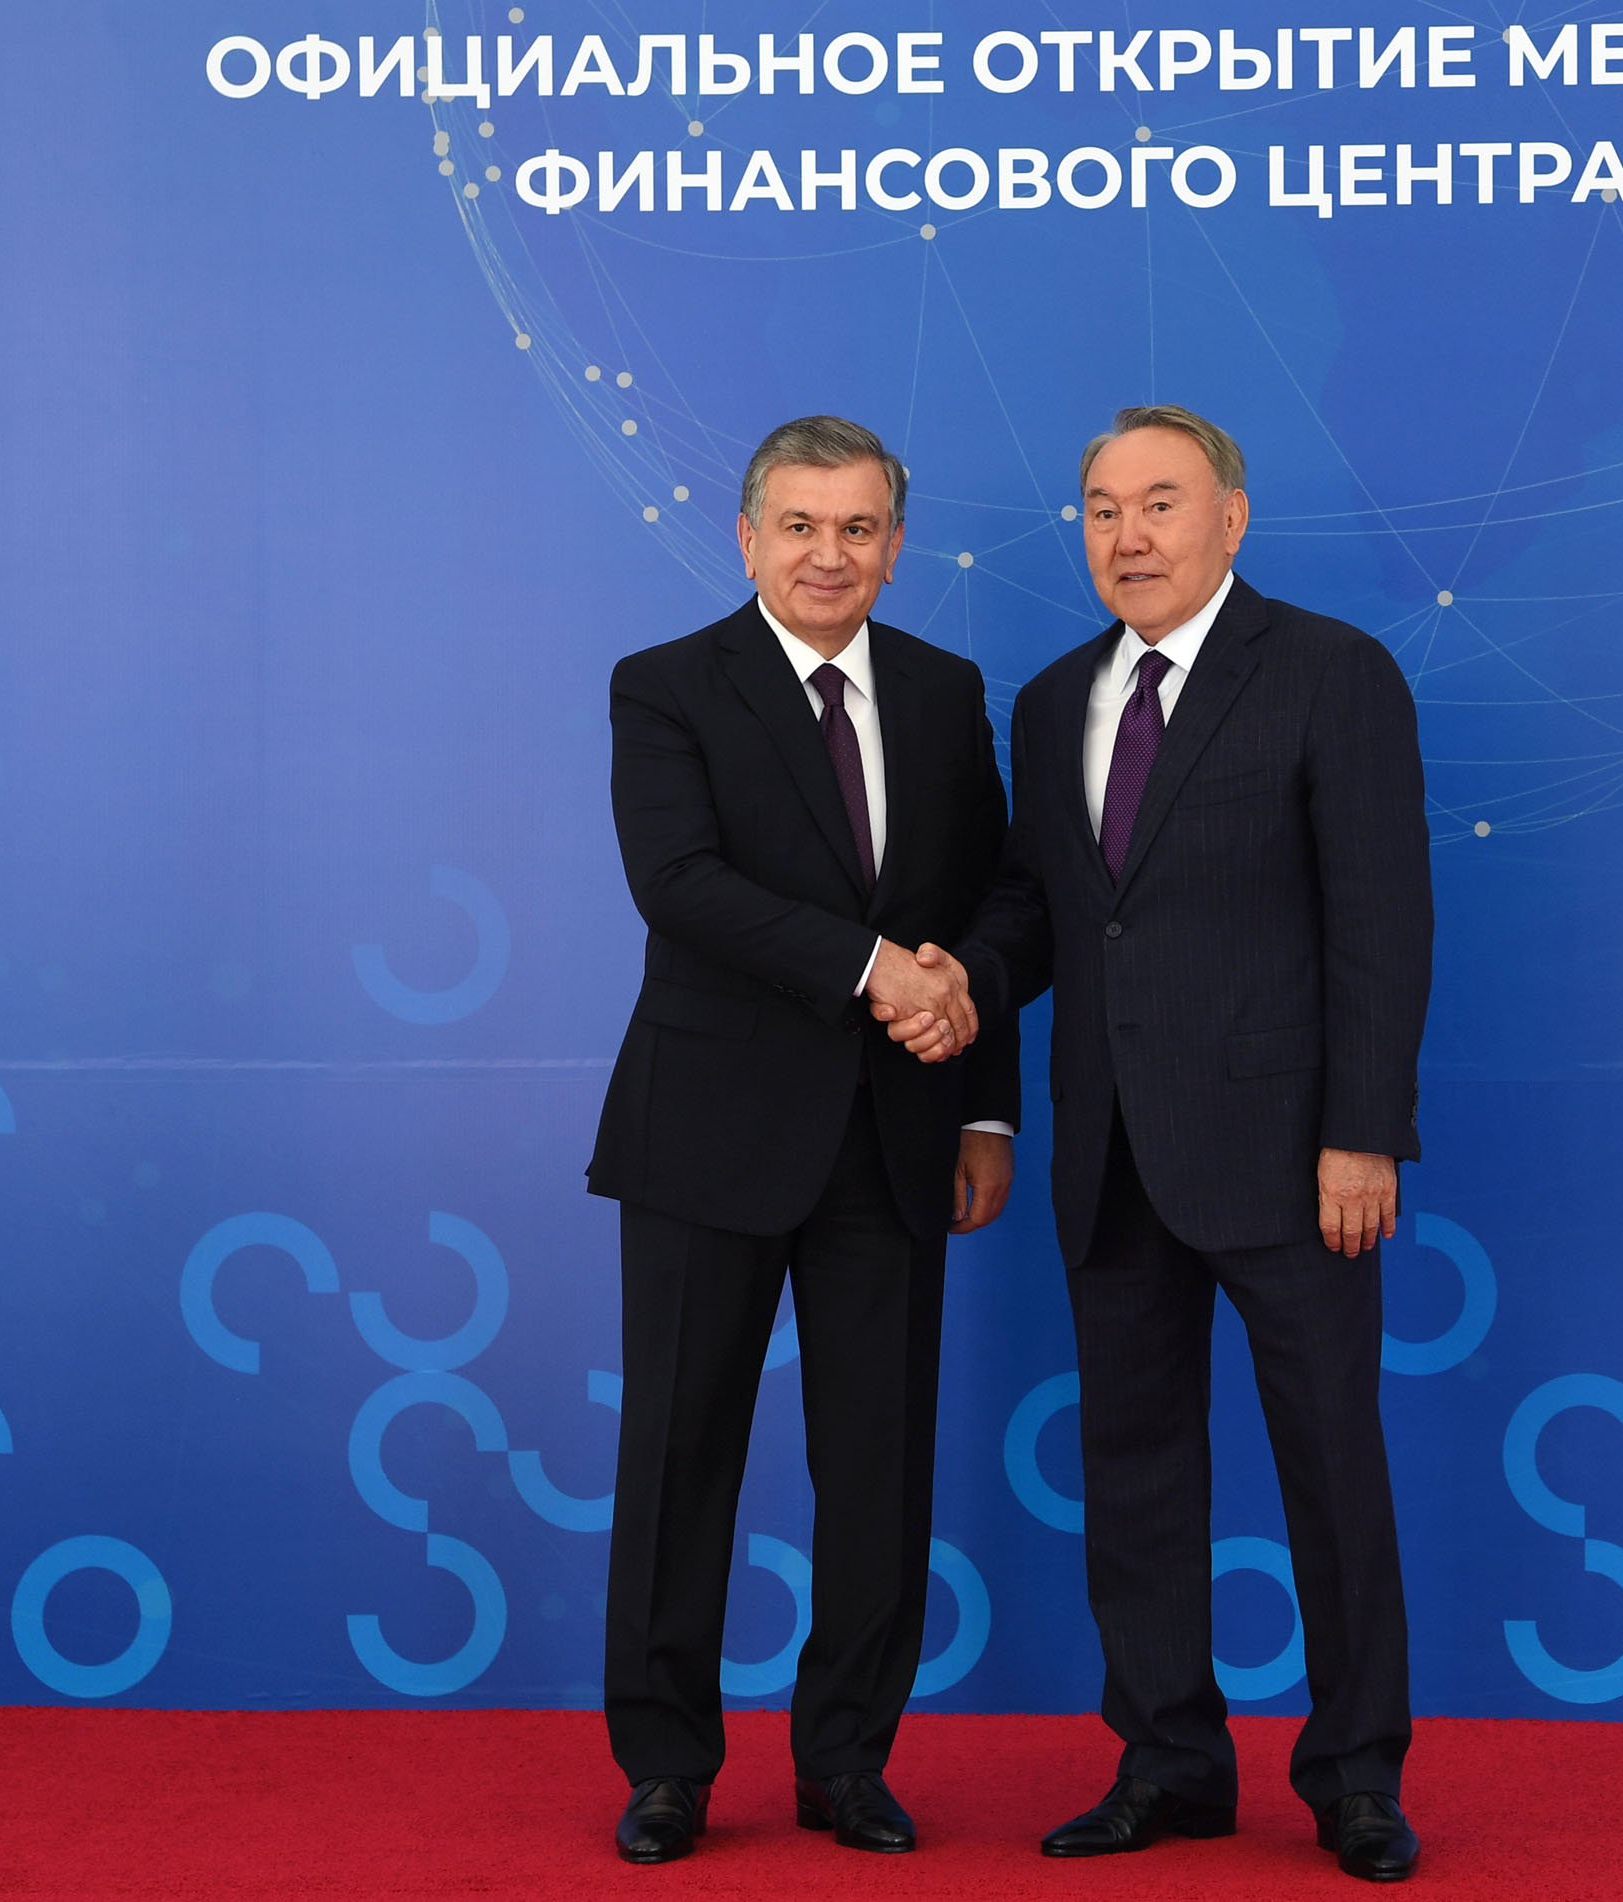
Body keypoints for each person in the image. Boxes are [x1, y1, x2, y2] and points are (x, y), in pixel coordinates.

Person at [883, 405, 1433, 1882]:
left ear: (1232, 518)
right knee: (1132, 1473)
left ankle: (1356, 1777)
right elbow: (1040, 907)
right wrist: (958, 978)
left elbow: (1382, 921)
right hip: (1113, 1151)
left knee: (1331, 1467)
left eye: (1161, 503)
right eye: (1101, 509)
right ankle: (1169, 1763)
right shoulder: (1054, 699)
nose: (1127, 536)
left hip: (1293, 1159)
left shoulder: (1330, 673)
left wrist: (1362, 1135)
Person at [588, 415, 1017, 1864]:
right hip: (708, 1130)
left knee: (878, 1462)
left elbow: (980, 905)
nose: (828, 554)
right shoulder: (665, 685)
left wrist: (982, 1103)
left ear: (895, 546)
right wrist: (871, 967)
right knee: (678, 1450)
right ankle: (666, 1764)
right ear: (747, 537)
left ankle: (846, 1759)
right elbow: (679, 882)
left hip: (898, 1131)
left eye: (858, 528)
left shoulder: (947, 691)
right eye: (799, 525)